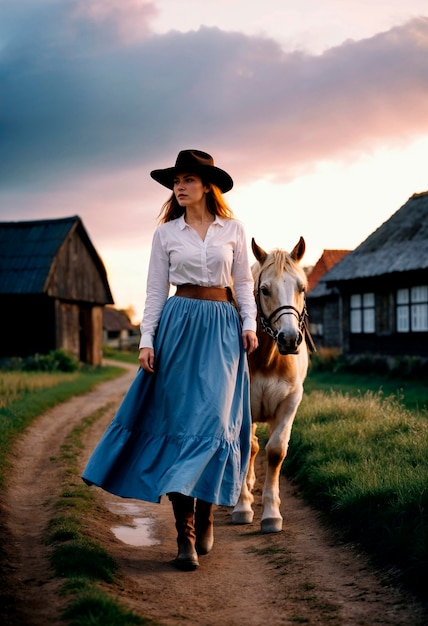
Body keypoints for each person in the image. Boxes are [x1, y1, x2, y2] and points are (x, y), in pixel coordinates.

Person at [82, 149, 258, 571]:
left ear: (206, 186)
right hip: (178, 327)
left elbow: (245, 284)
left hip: (221, 328)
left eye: (188, 180)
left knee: (215, 422)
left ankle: (206, 512)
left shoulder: (232, 229)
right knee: (181, 427)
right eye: (176, 181)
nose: (179, 187)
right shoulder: (165, 234)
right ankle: (185, 536)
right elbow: (155, 292)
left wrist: (248, 324)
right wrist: (146, 339)